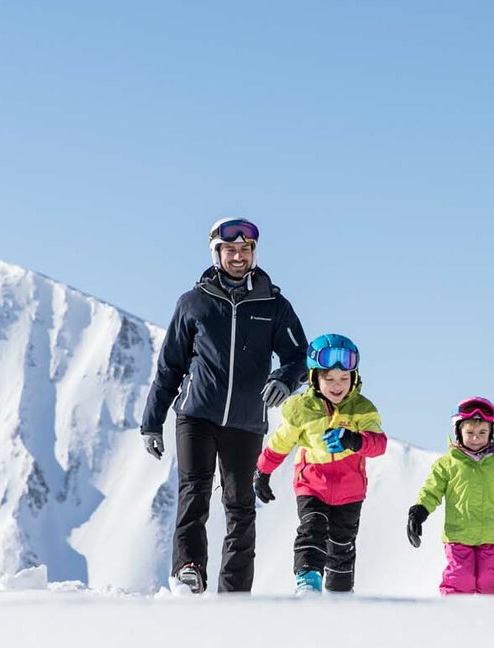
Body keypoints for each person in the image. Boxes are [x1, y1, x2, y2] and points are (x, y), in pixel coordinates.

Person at [141, 217, 308, 594]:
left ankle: (234, 593)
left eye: (245, 249)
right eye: (230, 250)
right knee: (194, 493)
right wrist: (151, 422)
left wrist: (285, 379)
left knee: (240, 505)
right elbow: (170, 366)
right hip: (196, 415)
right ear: (216, 254)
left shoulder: (273, 304)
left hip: (246, 420)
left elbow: (299, 356)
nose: (238, 256)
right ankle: (188, 570)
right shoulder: (193, 303)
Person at [253, 334, 386, 595]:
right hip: (312, 485)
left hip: (350, 491)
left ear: (354, 378)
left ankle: (340, 593)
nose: (337, 386)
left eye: (344, 378)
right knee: (312, 529)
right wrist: (263, 471)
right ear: (314, 377)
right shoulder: (302, 409)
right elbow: (280, 442)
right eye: (329, 379)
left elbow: (378, 444)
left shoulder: (362, 409)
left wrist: (353, 440)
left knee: (342, 544)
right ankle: (308, 582)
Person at [407, 397, 494, 595]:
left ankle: (486, 611)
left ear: (492, 433)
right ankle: (455, 609)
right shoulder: (447, 464)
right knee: (461, 579)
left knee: (492, 581)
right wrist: (418, 513)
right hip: (458, 536)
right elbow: (431, 491)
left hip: (491, 536)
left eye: (482, 432)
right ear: (459, 432)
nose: (476, 438)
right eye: (470, 433)